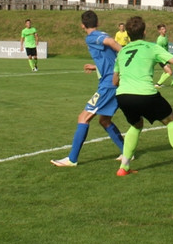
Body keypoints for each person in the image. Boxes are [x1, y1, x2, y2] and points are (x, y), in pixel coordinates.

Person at [114, 16, 173, 177]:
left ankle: (124, 167)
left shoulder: (122, 52)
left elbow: (114, 81)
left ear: (127, 34)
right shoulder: (151, 47)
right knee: (171, 121)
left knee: (136, 125)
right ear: (144, 32)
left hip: (122, 95)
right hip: (145, 93)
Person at [50, 11, 127, 167]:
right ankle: (127, 152)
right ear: (97, 23)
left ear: (82, 26)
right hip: (116, 81)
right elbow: (109, 57)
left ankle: (72, 159)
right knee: (104, 120)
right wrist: (96, 66)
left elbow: (111, 42)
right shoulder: (102, 34)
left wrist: (127, 53)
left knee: (83, 117)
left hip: (109, 84)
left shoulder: (92, 37)